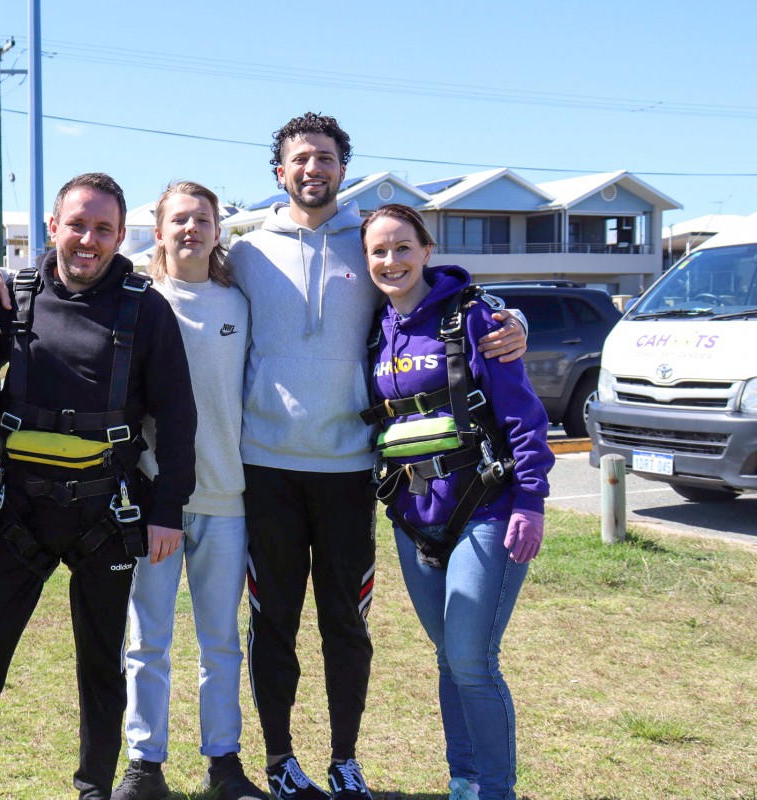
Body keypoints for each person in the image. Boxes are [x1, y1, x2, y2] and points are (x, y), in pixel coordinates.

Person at [225, 112, 528, 800]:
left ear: (342, 167)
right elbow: (175, 280)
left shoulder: (368, 245)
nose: (312, 169)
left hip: (349, 473)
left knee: (346, 625)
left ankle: (344, 759)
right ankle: (279, 759)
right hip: (265, 467)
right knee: (272, 623)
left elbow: (448, 293)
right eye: (300, 158)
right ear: (280, 172)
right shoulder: (246, 252)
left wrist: (515, 322)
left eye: (325, 157)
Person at [0, 172, 197, 800]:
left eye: (103, 228)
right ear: (53, 228)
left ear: (119, 235)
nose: (88, 240)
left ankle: (93, 789)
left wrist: (167, 512)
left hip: (106, 512)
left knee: (102, 665)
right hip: (16, 512)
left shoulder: (145, 306)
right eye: (77, 224)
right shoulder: (13, 296)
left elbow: (179, 417)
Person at [360, 203, 553, 800]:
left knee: (472, 658)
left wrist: (531, 500)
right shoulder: (372, 328)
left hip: (486, 511)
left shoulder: (472, 319)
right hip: (415, 520)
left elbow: (520, 411)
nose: (390, 261)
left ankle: (496, 790)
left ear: (426, 248)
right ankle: (464, 781)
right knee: (448, 658)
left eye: (401, 247)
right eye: (377, 251)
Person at [109, 182, 267, 800]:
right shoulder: (141, 301)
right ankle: (144, 764)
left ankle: (223, 762)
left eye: (203, 219)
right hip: (157, 502)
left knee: (220, 640)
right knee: (147, 639)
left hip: (229, 499)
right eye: (180, 219)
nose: (191, 229)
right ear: (159, 226)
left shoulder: (240, 300)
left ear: (218, 228)